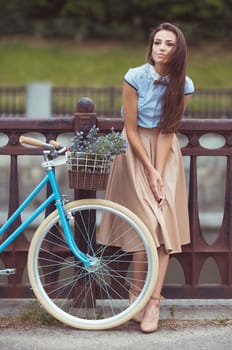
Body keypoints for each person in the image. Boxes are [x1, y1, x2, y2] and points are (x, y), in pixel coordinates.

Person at [98, 22, 194, 333]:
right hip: (135, 151)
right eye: (157, 42)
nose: (161, 48)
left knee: (162, 226)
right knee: (145, 225)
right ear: (150, 47)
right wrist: (149, 170)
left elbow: (168, 131)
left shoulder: (185, 84)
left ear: (177, 50)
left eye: (168, 44)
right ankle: (135, 295)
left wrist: (160, 170)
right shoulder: (134, 77)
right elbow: (130, 128)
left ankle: (152, 301)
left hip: (164, 153)